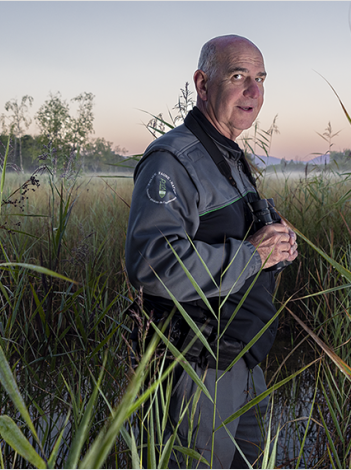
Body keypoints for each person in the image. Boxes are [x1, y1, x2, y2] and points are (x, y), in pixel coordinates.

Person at [125, 34, 298, 468]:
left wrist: (279, 244)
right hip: (198, 370)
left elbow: (241, 241)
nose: (254, 92)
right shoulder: (173, 159)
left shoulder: (228, 155)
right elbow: (153, 262)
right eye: (239, 76)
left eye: (260, 79)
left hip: (244, 361)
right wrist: (252, 255)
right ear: (203, 84)